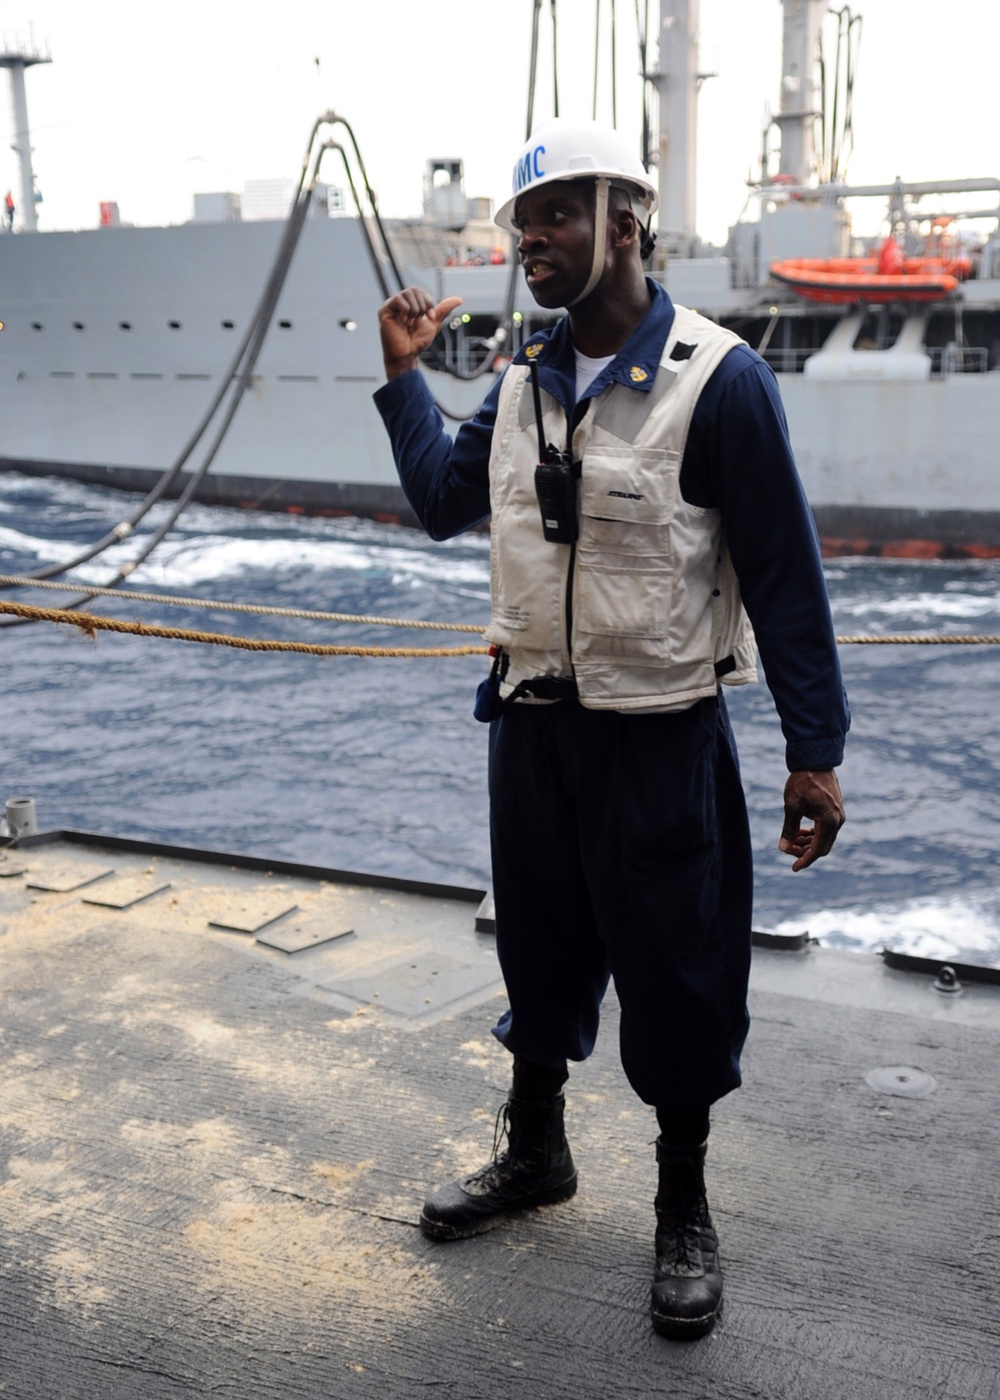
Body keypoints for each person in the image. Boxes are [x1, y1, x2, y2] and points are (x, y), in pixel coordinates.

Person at [374, 117, 848, 1341]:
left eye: (557, 217)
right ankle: (537, 1153)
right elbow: (438, 501)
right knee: (537, 951)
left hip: (661, 740)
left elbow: (785, 578)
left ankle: (682, 1204)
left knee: (679, 979)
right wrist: (402, 379)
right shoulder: (522, 379)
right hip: (532, 726)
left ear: (624, 225)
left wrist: (815, 753)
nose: (531, 239)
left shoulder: (718, 378)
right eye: (523, 222)